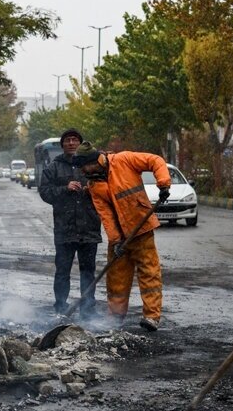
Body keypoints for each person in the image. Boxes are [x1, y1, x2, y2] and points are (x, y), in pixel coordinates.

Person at [71, 141, 171, 331]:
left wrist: (163, 184)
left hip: (141, 229)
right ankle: (115, 318)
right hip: (120, 238)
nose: (83, 171)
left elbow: (155, 160)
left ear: (93, 161)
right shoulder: (93, 185)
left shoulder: (124, 160)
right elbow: (106, 216)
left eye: (84, 166)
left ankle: (151, 316)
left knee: (149, 273)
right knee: (116, 278)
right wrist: (116, 241)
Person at [39, 129, 102, 316]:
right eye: (68, 140)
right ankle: (60, 306)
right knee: (62, 271)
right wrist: (64, 189)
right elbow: (44, 192)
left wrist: (92, 190)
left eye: (75, 140)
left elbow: (105, 188)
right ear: (63, 145)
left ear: (80, 143)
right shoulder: (54, 167)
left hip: (89, 227)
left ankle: (88, 308)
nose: (72, 143)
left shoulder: (92, 165)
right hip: (64, 228)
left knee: (88, 271)